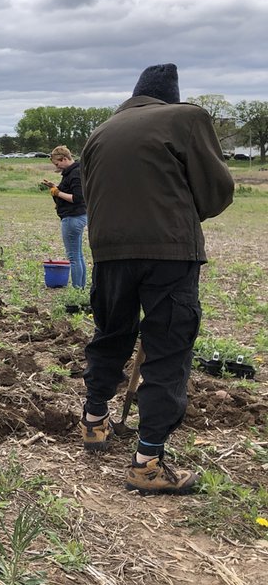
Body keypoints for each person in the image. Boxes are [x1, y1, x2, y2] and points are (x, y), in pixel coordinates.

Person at [79, 63, 234, 495]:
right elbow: (215, 190)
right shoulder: (186, 117)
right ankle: (147, 463)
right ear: (171, 95)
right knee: (168, 348)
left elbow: (93, 195)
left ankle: (93, 421)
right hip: (167, 251)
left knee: (111, 332)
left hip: (108, 249)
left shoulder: (100, 132)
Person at [41, 146, 88, 288]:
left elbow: (77, 198)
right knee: (78, 255)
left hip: (73, 218)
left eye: (57, 164)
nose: (57, 167)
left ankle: (77, 289)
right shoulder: (74, 172)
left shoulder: (75, 174)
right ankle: (81, 287)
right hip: (77, 217)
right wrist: (55, 187)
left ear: (64, 159)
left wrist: (57, 193)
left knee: (73, 257)